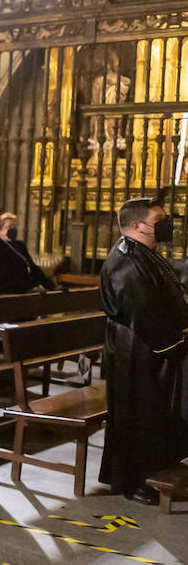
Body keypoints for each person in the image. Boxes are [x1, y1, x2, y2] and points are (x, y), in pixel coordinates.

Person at [99, 198, 188, 504]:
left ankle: (156, 469)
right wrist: (177, 342)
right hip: (135, 349)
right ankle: (134, 480)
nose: (165, 224)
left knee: (154, 413)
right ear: (136, 226)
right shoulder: (126, 260)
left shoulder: (146, 253)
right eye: (159, 219)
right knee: (137, 413)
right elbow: (142, 313)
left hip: (150, 345)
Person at [0, 211, 55, 294]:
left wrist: (51, 286)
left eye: (14, 226)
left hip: (26, 288)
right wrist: (29, 286)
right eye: (9, 227)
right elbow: (7, 273)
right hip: (10, 291)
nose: (13, 229)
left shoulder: (20, 245)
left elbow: (32, 267)